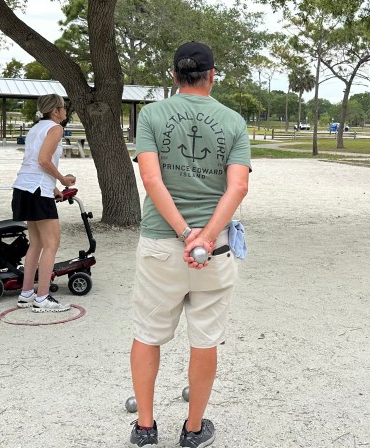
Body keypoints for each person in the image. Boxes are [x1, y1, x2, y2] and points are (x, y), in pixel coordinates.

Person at [128, 42, 250, 448]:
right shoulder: (233, 121)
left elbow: (151, 180)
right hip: (212, 252)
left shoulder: (152, 115)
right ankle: (193, 429)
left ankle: (146, 428)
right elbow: (238, 186)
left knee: (148, 334)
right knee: (205, 339)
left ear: (174, 75)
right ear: (212, 75)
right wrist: (206, 236)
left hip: (161, 244)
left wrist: (184, 233)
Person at [11, 94, 76, 313]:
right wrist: (62, 180)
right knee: (51, 244)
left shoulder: (36, 128)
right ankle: (42, 298)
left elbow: (34, 162)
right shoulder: (55, 129)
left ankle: (26, 293)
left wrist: (54, 188)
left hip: (25, 187)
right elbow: (43, 160)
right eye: (63, 107)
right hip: (37, 191)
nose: (65, 110)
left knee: (36, 243)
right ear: (55, 111)